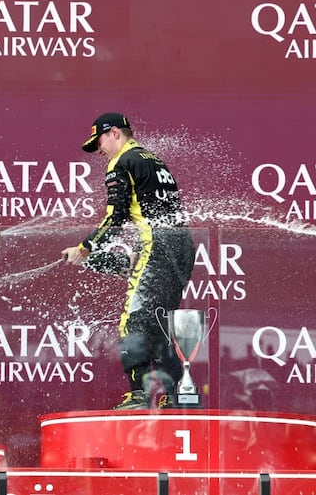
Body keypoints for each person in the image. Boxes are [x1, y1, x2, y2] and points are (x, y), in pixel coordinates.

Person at [61, 113, 195, 410]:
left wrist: (85, 248)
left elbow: (116, 217)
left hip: (158, 246)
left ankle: (137, 396)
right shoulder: (154, 160)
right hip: (182, 246)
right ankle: (179, 396)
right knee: (158, 325)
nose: (99, 150)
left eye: (100, 141)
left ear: (116, 134)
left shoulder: (120, 162)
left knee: (132, 321)